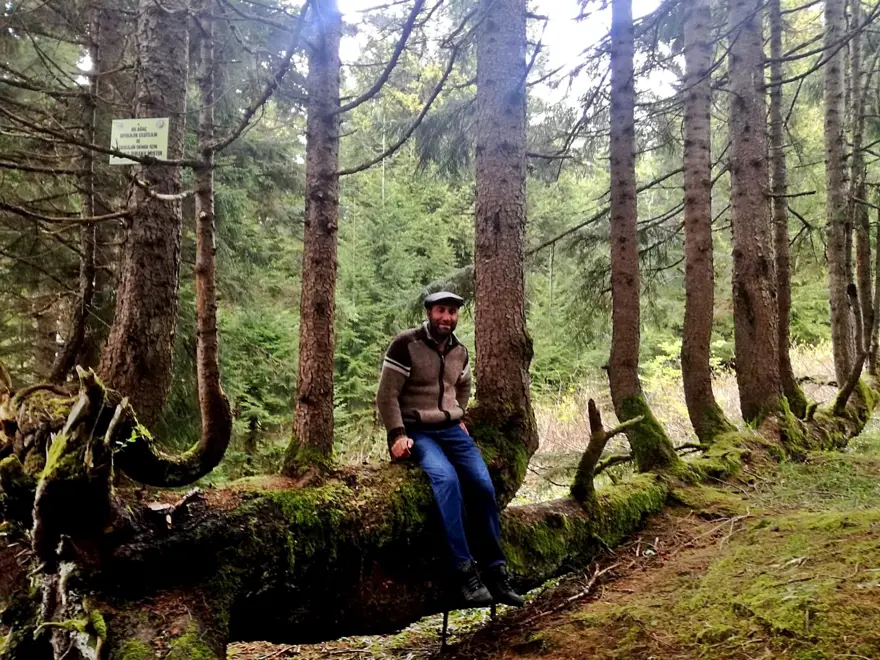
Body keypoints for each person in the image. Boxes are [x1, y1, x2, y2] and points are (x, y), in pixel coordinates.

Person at [376, 291, 524, 608]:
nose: (447, 317)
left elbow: (463, 384)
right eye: (441, 310)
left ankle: (496, 572)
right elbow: (386, 395)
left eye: (452, 312)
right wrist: (397, 435)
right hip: (417, 430)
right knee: (446, 479)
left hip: (452, 429)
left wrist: (459, 413)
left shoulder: (460, 351)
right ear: (429, 312)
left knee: (483, 485)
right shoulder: (406, 344)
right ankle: (464, 571)